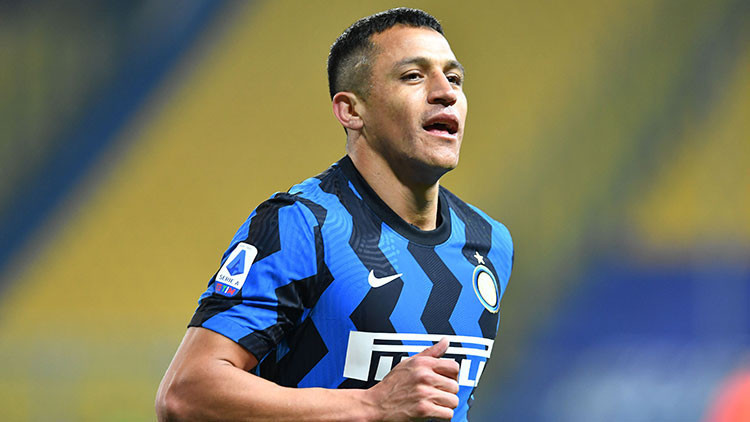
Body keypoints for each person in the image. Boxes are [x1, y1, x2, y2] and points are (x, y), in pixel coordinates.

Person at [156, 7, 513, 421]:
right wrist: (372, 405)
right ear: (351, 111)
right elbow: (185, 393)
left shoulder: (490, 242)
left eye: (454, 78)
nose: (445, 92)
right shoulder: (302, 226)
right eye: (414, 76)